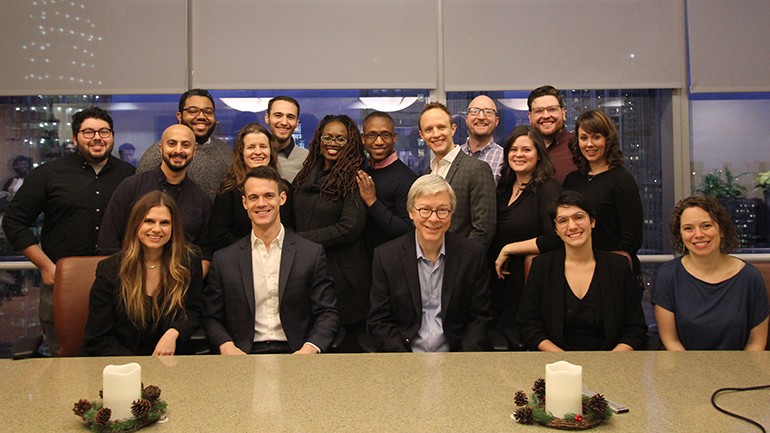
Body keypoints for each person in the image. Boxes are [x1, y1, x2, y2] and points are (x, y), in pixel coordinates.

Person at [2, 107, 135, 355]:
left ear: (112, 136)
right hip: (61, 282)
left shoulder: (129, 176)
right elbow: (14, 222)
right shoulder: (48, 175)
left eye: (104, 131)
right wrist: (45, 266)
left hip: (120, 284)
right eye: (88, 132)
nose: (97, 137)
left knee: (117, 357)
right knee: (63, 358)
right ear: (75, 138)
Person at [203, 167, 339, 354]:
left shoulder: (311, 253)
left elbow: (327, 313)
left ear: (281, 199)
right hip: (242, 355)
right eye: (253, 197)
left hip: (297, 353)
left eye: (268, 196)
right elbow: (211, 317)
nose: (261, 203)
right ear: (244, 203)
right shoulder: (224, 259)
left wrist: (310, 348)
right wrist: (226, 346)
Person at [367, 174, 492, 352]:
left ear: (451, 214)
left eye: (442, 210)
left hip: (456, 357)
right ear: (411, 212)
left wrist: (463, 362)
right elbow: (380, 321)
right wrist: (404, 361)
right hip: (405, 357)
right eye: (425, 210)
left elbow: (480, 318)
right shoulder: (387, 257)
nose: (433, 219)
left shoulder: (472, 255)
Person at [517, 191, 648, 351]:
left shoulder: (618, 266)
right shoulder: (541, 267)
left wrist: (612, 361)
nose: (572, 226)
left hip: (611, 362)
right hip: (556, 363)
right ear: (556, 230)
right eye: (563, 221)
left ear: (592, 221)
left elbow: (635, 328)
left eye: (578, 217)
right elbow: (529, 326)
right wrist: (563, 360)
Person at [84, 191, 203, 356]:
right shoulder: (110, 270)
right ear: (136, 224)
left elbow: (194, 309)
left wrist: (174, 333)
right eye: (149, 221)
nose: (156, 229)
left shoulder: (188, 261)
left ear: (173, 227)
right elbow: (98, 338)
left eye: (165, 223)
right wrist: (138, 368)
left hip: (174, 362)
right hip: (123, 365)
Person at [652, 195, 769, 351]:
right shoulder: (667, 276)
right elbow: (671, 341)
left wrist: (740, 374)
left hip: (739, 371)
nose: (698, 234)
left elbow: (756, 343)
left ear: (721, 230)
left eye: (706, 226)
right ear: (680, 235)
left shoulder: (750, 277)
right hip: (684, 370)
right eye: (688, 228)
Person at [293, 114, 369, 351]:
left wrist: (299, 241)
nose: (332, 143)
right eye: (327, 137)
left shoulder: (354, 178)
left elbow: (349, 227)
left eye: (340, 139)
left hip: (343, 276)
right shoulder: (306, 173)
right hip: (305, 270)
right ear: (318, 139)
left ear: (351, 143)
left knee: (343, 351)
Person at [97, 125, 212, 272]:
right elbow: (108, 242)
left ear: (194, 151)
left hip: (180, 287)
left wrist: (190, 284)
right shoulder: (131, 187)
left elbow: (205, 253)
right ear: (161, 148)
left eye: (185, 145)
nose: (178, 150)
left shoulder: (201, 199)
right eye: (171, 144)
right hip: (128, 282)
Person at [491, 125, 563, 329]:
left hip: (529, 285)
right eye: (513, 150)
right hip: (499, 283)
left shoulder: (548, 189)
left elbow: (556, 237)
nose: (519, 155)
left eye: (526, 150)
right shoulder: (504, 187)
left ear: (539, 154)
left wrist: (509, 249)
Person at [563, 109, 643, 273]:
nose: (589, 144)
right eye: (584, 138)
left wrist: (604, 267)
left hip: (612, 271)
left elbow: (632, 239)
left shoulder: (622, 180)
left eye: (596, 137)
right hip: (577, 269)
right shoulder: (572, 180)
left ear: (608, 139)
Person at [419, 102, 496, 249]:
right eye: (429, 129)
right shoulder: (427, 173)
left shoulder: (477, 169)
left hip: (462, 265)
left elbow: (484, 229)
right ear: (422, 135)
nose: (436, 134)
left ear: (453, 129)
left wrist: (461, 263)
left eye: (441, 127)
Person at [206, 123, 293, 252]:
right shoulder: (228, 191)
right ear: (241, 153)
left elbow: (291, 230)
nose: (258, 152)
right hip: (238, 263)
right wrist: (259, 247)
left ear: (271, 151)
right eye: (251, 147)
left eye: (263, 146)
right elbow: (219, 238)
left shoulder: (284, 188)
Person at [137, 89, 231, 198]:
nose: (201, 116)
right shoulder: (159, 154)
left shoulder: (226, 153)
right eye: (193, 111)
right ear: (179, 116)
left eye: (208, 112)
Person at [355, 111, 417, 255]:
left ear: (394, 138)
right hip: (362, 261)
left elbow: (407, 230)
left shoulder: (407, 179)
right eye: (372, 135)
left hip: (392, 262)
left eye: (385, 135)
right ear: (363, 139)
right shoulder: (361, 170)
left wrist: (372, 202)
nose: (379, 142)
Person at [527, 85, 577, 184]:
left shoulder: (578, 146)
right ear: (530, 117)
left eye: (552, 109)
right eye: (539, 111)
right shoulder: (523, 150)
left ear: (563, 114)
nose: (546, 116)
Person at [460, 95, 504, 184]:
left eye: (488, 112)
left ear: (496, 121)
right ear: (467, 119)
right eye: (474, 111)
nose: (481, 117)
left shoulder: (505, 159)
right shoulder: (454, 155)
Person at [265, 96, 308, 182]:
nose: (284, 122)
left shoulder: (307, 159)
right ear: (267, 118)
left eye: (290, 117)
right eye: (278, 115)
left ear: (296, 123)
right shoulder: (255, 155)